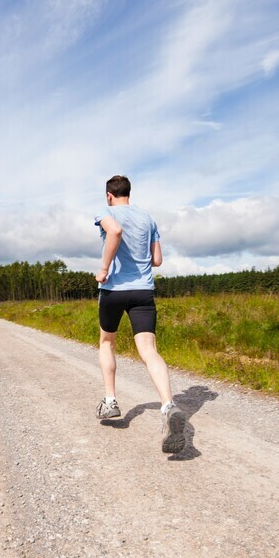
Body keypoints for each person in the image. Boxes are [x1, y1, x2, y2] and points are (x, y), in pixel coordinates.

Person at [94, 175, 186, 454]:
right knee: (148, 350)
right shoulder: (148, 218)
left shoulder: (105, 212)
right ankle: (168, 405)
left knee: (107, 341)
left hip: (113, 290)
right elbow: (157, 260)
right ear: (128, 194)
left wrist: (104, 268)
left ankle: (110, 401)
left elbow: (115, 232)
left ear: (109, 195)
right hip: (143, 291)